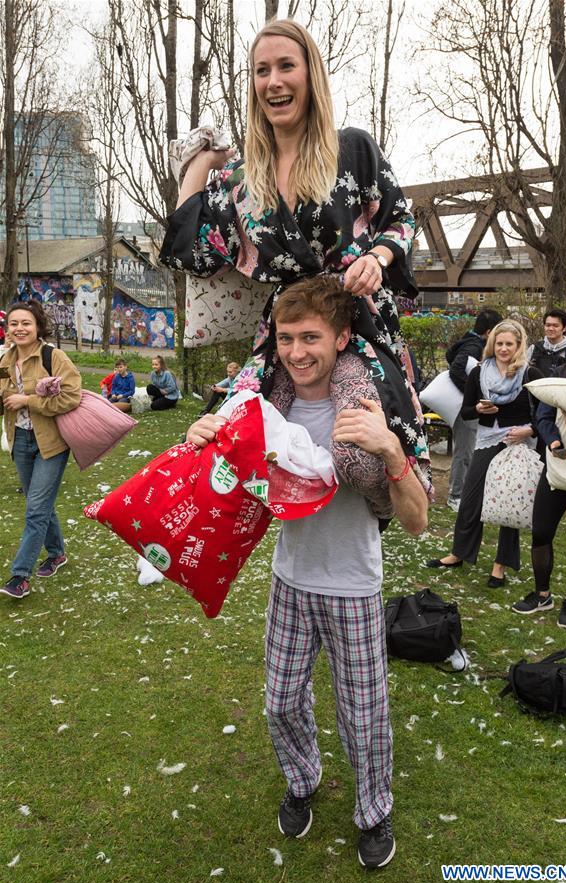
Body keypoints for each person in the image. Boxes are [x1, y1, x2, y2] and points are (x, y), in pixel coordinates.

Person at [186, 276, 428, 869]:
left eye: (311, 337)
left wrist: (392, 452)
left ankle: (374, 813)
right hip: (290, 581)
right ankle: (303, 780)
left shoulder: (374, 406)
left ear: (342, 338)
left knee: (363, 716)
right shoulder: (267, 407)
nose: (297, 352)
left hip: (353, 587)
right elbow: (223, 481)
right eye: (287, 338)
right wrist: (201, 439)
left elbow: (419, 520)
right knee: (280, 702)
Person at [159, 17, 431, 498]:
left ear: (311, 75)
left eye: (287, 66)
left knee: (364, 454)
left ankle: (387, 513)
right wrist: (200, 161)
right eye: (262, 71)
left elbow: (401, 218)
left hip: (356, 322)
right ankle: (188, 544)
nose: (274, 81)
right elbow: (192, 247)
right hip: (284, 337)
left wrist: (380, 256)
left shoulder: (351, 149)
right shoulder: (243, 182)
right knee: (221, 439)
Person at [427, 321, 541, 586]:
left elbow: (545, 415)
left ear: (518, 346)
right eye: (499, 343)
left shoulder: (530, 374)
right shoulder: (479, 373)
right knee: (470, 499)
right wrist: (478, 409)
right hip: (487, 439)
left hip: (517, 443)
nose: (503, 349)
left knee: (509, 503)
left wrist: (527, 432)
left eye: (509, 344)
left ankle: (500, 565)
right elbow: (466, 411)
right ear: (492, 344)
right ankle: (459, 553)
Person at [512, 316, 566, 629]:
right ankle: (542, 593)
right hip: (558, 465)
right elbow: (544, 416)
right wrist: (554, 441)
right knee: (541, 531)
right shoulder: (561, 374)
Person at [0, 300, 81, 599]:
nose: (19, 329)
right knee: (41, 504)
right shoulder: (4, 362)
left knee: (35, 509)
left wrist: (28, 400)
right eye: (14, 324)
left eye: (25, 323)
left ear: (37, 327)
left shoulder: (53, 356)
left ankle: (20, 576)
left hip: (51, 442)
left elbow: (71, 396)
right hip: (19, 441)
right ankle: (57, 553)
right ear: (7, 329)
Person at [445, 308, 501, 511]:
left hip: (468, 406)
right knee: (465, 451)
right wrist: (472, 393)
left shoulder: (470, 342)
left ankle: (465, 491)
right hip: (465, 407)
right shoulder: (473, 346)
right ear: (489, 331)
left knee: (471, 449)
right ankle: (456, 495)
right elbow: (456, 369)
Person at [527, 308, 566, 377]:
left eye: (555, 326)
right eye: (548, 325)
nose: (551, 329)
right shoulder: (534, 348)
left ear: (564, 328)